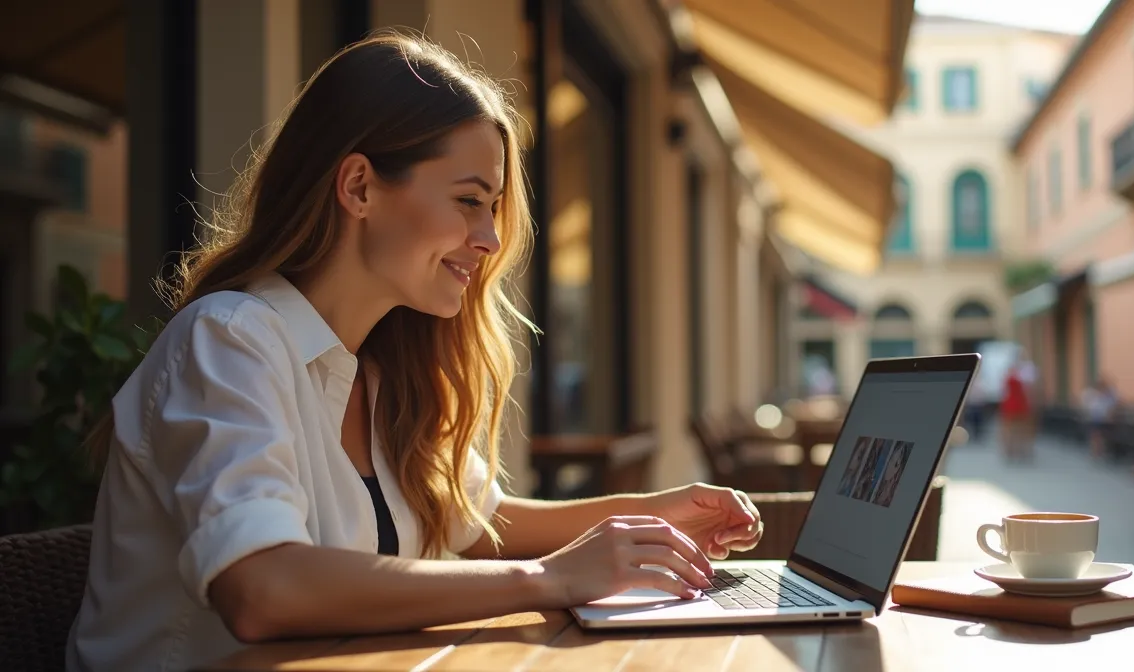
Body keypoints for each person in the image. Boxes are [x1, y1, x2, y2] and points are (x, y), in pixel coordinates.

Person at [66, 33, 762, 672]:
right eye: (469, 200)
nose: (489, 240)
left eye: (491, 209)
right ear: (359, 187)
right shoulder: (228, 339)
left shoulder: (381, 371)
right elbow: (263, 588)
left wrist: (654, 516)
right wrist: (549, 579)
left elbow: (480, 523)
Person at [998, 361, 1034, 461]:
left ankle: (1011, 450)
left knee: (1010, 429)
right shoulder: (1020, 379)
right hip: (1018, 404)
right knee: (1019, 429)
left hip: (1011, 404)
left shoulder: (1009, 378)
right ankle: (1019, 450)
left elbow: (1004, 391)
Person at [1081, 377, 1118, 458]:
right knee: (1095, 431)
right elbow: (1091, 407)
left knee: (1097, 432)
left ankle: (1099, 450)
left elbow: (1113, 407)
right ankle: (1096, 451)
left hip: (1107, 420)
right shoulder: (1095, 395)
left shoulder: (1110, 395)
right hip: (1097, 419)